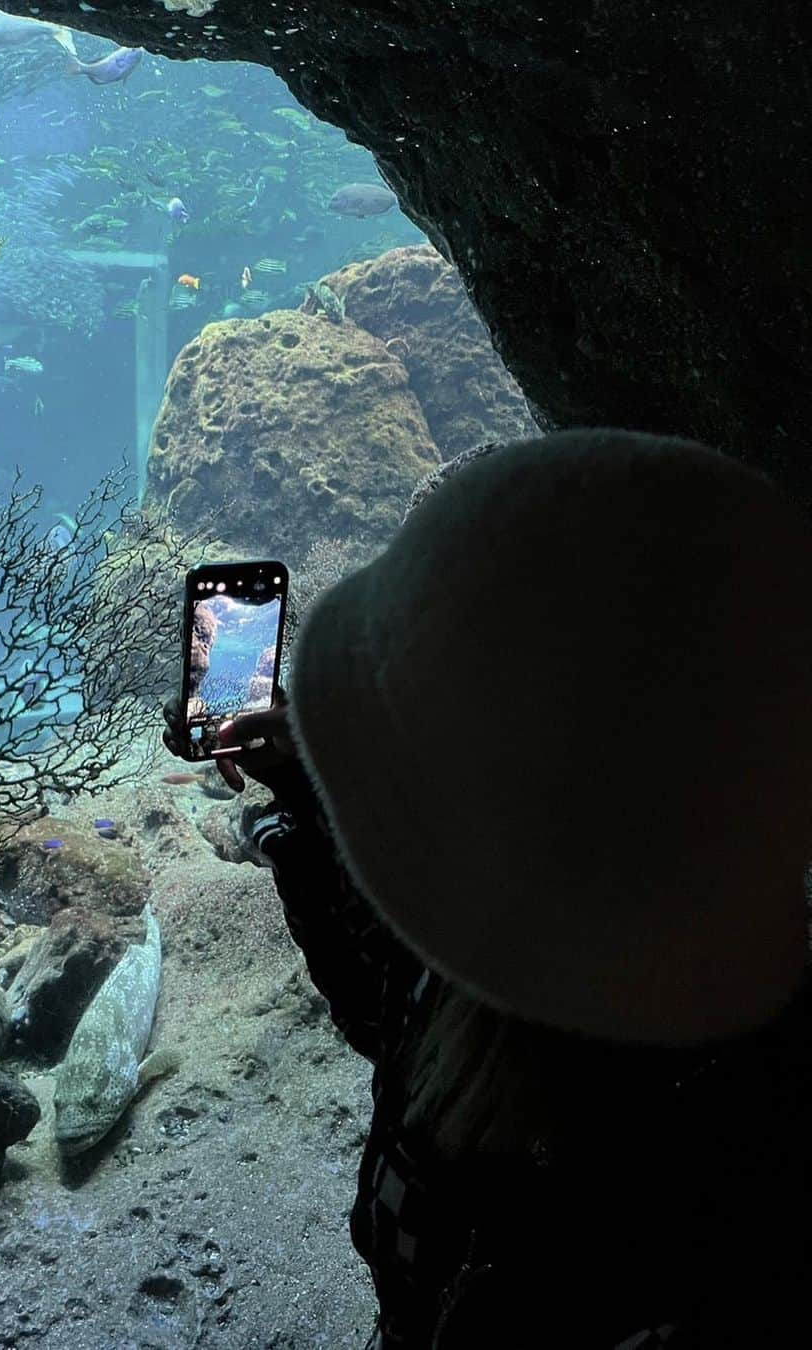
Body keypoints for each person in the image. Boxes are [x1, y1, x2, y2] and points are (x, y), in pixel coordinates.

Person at [163, 429, 812, 1348]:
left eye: (421, 743)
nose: (387, 776)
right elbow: (391, 1016)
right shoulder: (506, 973)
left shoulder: (727, 1173)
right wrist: (304, 807)